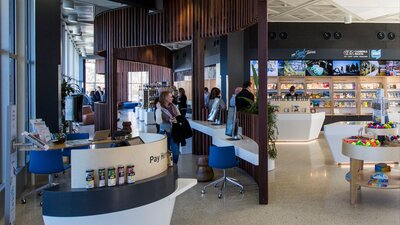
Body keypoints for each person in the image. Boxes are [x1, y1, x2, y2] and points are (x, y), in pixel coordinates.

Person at [155, 91, 181, 163]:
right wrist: (158, 109)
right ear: (165, 98)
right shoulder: (159, 107)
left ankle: (174, 166)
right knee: (163, 152)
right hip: (163, 132)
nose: (172, 98)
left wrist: (176, 120)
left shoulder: (173, 106)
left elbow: (179, 117)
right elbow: (158, 121)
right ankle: (165, 166)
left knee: (175, 152)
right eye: (170, 96)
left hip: (174, 131)